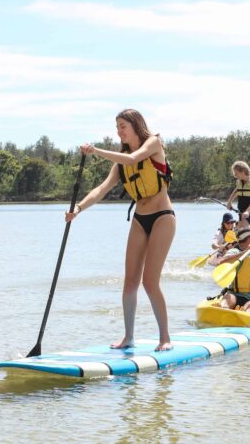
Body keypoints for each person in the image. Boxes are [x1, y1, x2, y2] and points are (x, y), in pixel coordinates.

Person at [64, 109, 175, 351]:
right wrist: (78, 209)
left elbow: (134, 159)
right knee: (130, 282)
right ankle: (129, 337)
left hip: (163, 218)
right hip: (139, 219)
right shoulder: (120, 162)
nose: (119, 131)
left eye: (123, 126)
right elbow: (101, 189)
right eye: (117, 127)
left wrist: (96, 151)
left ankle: (165, 338)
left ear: (136, 125)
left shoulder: (153, 143)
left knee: (150, 282)